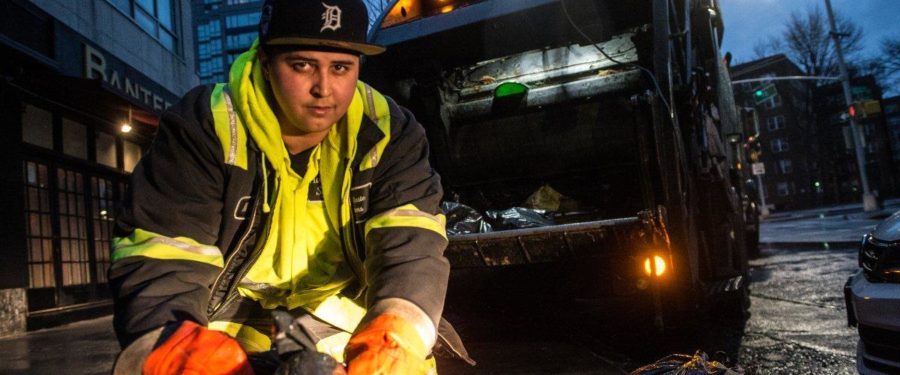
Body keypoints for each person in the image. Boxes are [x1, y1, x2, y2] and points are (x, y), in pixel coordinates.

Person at [108, 0, 469, 373]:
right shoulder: (206, 126)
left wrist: (397, 333)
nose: (323, 89)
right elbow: (165, 256)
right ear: (266, 62)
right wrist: (181, 347)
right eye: (302, 65)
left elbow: (411, 243)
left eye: (341, 68)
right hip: (227, 314)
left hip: (340, 313)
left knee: (404, 361)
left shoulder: (389, 131)